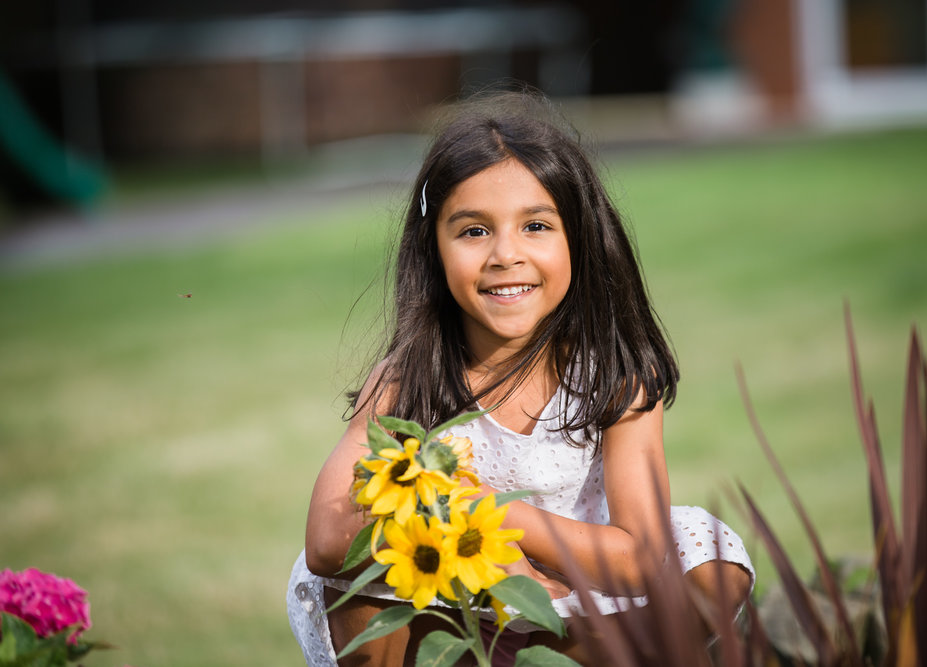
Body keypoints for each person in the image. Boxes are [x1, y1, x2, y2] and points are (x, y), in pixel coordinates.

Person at [287, 89, 754, 666]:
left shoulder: (615, 376)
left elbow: (637, 555)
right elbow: (327, 543)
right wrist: (473, 543)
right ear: (434, 249)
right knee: (363, 584)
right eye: (474, 231)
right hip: (452, 595)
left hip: (579, 576)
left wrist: (500, 520)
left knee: (713, 565)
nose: (506, 254)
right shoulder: (411, 378)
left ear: (580, 240)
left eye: (536, 225)